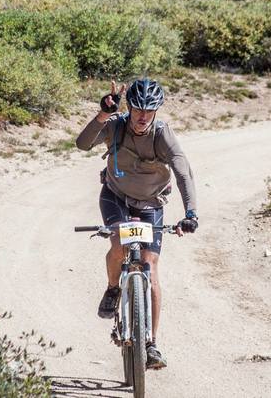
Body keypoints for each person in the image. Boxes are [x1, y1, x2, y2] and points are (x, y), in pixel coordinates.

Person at [75, 78, 199, 370]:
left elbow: (183, 173)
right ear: (129, 106)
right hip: (116, 196)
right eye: (138, 109)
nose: (143, 116)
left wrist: (191, 213)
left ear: (157, 110)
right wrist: (103, 114)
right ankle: (112, 288)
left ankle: (151, 344)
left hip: (151, 203)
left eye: (150, 110)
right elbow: (82, 144)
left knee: (150, 265)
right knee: (119, 244)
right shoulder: (116, 125)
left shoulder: (162, 134)